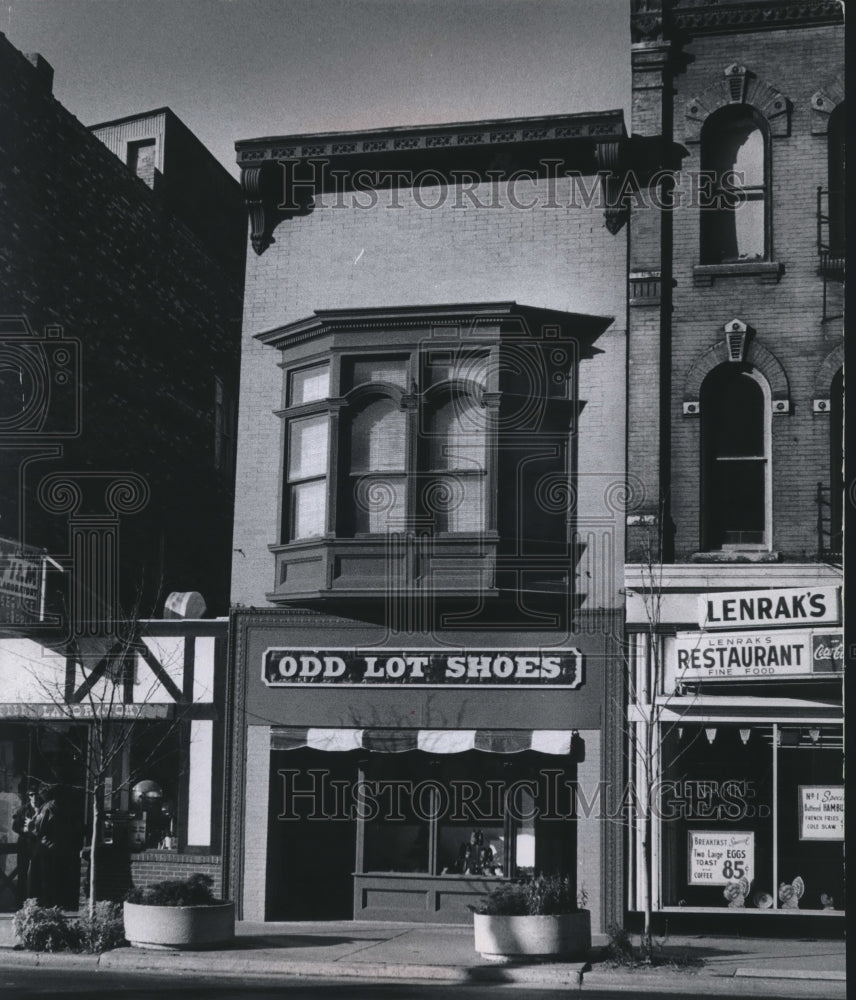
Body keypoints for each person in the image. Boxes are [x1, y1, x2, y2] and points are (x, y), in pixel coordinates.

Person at [28, 784, 62, 907]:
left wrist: (31, 826)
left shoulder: (48, 807)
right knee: (46, 877)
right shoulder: (50, 806)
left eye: (40, 793)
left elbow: (40, 829)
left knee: (44, 877)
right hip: (49, 846)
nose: (37, 796)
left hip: (46, 846)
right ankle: (48, 904)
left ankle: (46, 905)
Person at [11, 788, 41, 903]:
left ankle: (35, 901)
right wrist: (23, 830)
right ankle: (20, 902)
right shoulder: (23, 810)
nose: (35, 797)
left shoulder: (43, 808)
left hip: (37, 844)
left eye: (36, 795)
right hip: (24, 844)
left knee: (37, 873)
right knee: (22, 872)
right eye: (32, 795)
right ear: (29, 796)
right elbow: (15, 827)